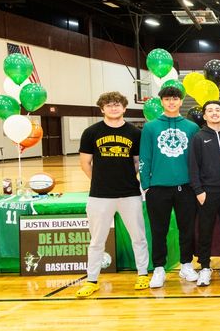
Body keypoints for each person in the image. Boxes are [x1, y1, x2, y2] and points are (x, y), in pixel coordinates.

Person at [75, 92, 149, 298]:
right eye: (109, 105)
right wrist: (100, 181)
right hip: (99, 195)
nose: (114, 108)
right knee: (97, 240)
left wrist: (124, 179)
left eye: (117, 105)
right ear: (102, 109)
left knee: (138, 237)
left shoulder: (135, 133)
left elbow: (136, 162)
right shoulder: (91, 132)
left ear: (124, 108)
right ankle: (92, 280)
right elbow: (85, 163)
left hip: (129, 194)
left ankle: (142, 273)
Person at [139, 85, 200, 289]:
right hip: (158, 188)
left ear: (181, 102)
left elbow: (197, 159)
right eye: (167, 99)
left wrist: (196, 184)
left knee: (187, 229)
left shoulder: (191, 128)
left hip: (186, 187)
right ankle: (158, 268)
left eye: (175, 99)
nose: (171, 102)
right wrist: (146, 185)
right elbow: (145, 156)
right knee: (159, 230)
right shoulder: (150, 127)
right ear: (162, 102)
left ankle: (186, 264)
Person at [188, 100, 220, 287]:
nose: (214, 113)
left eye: (218, 110)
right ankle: (205, 268)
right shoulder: (198, 137)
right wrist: (199, 190)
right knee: (205, 232)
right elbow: (193, 167)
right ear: (205, 115)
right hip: (208, 193)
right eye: (210, 110)